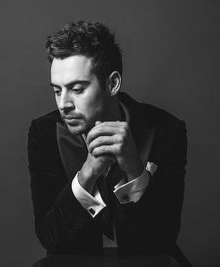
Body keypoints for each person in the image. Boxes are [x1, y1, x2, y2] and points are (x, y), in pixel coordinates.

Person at [28, 21, 191, 266]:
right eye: (57, 91)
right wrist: (86, 176)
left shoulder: (166, 130)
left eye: (77, 89)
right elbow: (50, 237)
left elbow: (164, 237)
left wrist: (135, 171)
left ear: (112, 83)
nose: (64, 104)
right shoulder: (43, 134)